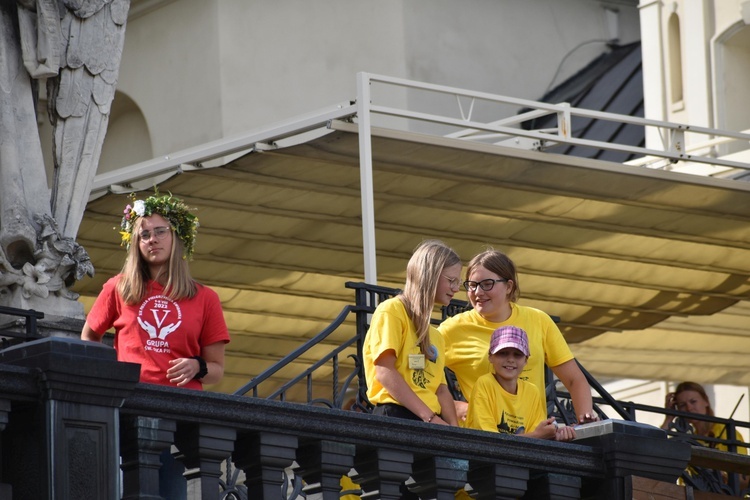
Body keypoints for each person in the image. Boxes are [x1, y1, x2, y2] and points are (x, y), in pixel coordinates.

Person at [81, 191, 230, 498]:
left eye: (160, 231)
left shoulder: (205, 298)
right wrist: (110, 372)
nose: (152, 239)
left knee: (173, 493)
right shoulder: (118, 287)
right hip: (128, 409)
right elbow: (89, 336)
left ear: (177, 237)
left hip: (181, 416)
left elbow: (216, 370)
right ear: (135, 243)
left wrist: (196, 366)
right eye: (144, 234)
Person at [438, 249, 597, 425]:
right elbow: (421, 384)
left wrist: (585, 423)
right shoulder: (451, 330)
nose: (478, 292)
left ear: (509, 286)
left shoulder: (539, 320)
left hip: (534, 438)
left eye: (487, 284)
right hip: (482, 441)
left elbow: (574, 380)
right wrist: (458, 407)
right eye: (472, 285)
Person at [363, 239, 460, 426]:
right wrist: (430, 418)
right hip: (396, 416)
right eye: (451, 280)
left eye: (458, 282)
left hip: (428, 421)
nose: (456, 288)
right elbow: (384, 371)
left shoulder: (436, 336)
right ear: (430, 275)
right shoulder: (392, 310)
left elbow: (440, 390)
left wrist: (455, 431)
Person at [466, 326, 576, 441]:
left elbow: (536, 440)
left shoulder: (532, 391)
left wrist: (555, 436)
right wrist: (538, 435)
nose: (510, 359)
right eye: (503, 353)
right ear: (490, 357)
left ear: (526, 360)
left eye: (517, 355)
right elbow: (488, 441)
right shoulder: (484, 384)